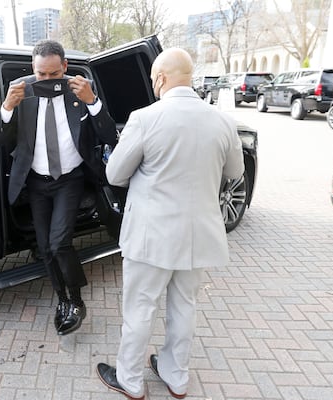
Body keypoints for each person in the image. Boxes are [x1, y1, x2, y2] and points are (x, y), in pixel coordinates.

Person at [96, 48, 244, 399]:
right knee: (184, 307)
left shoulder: (145, 118)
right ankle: (176, 376)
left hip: (151, 237)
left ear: (160, 78)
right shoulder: (222, 120)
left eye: (152, 80)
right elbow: (236, 172)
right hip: (199, 235)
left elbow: (115, 174)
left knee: (139, 308)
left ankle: (130, 380)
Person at [0, 40, 118, 336]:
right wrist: (7, 108)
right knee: (44, 247)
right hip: (37, 182)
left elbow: (108, 134)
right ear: (33, 69)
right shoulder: (22, 92)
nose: (47, 80)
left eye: (53, 73)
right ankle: (62, 299)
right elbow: (2, 141)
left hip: (70, 179)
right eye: (41, 74)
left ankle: (76, 301)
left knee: (59, 243)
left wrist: (93, 102)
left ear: (64, 66)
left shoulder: (80, 91)